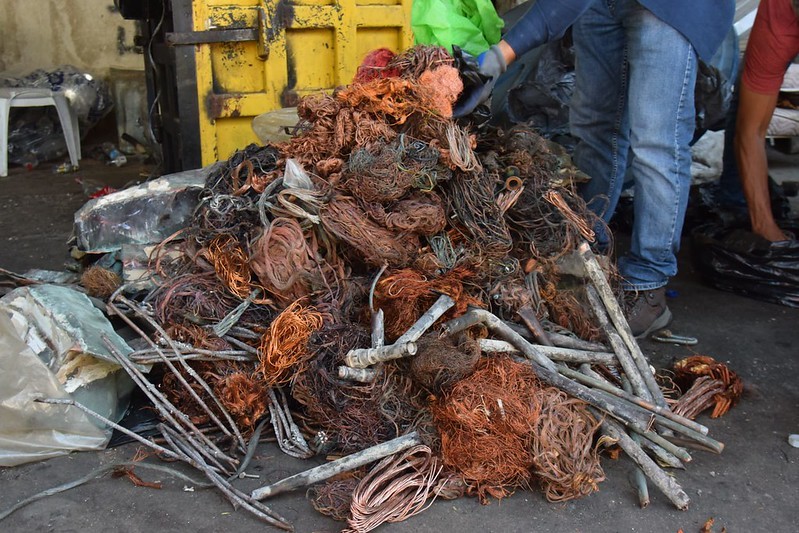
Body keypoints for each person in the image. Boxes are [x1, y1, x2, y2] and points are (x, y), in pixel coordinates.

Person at [454, 0, 734, 337]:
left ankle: (649, 284)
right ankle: (587, 249)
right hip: (603, 5)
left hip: (670, 7)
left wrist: (501, 56)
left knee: (656, 141)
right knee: (593, 126)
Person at [731, 0, 799, 242]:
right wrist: (765, 227)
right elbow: (751, 132)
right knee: (745, 116)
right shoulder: (779, 17)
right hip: (782, 22)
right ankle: (739, 208)